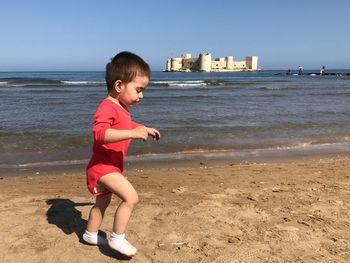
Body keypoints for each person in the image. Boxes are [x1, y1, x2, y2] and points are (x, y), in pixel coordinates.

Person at [82, 51, 160, 257]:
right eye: (138, 90)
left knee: (102, 203)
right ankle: (117, 238)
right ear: (119, 86)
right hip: (102, 167)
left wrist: (142, 128)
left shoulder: (121, 108)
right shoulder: (107, 107)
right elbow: (100, 133)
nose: (141, 95)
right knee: (131, 198)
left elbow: (125, 125)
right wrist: (131, 133)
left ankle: (90, 233)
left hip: (109, 166)